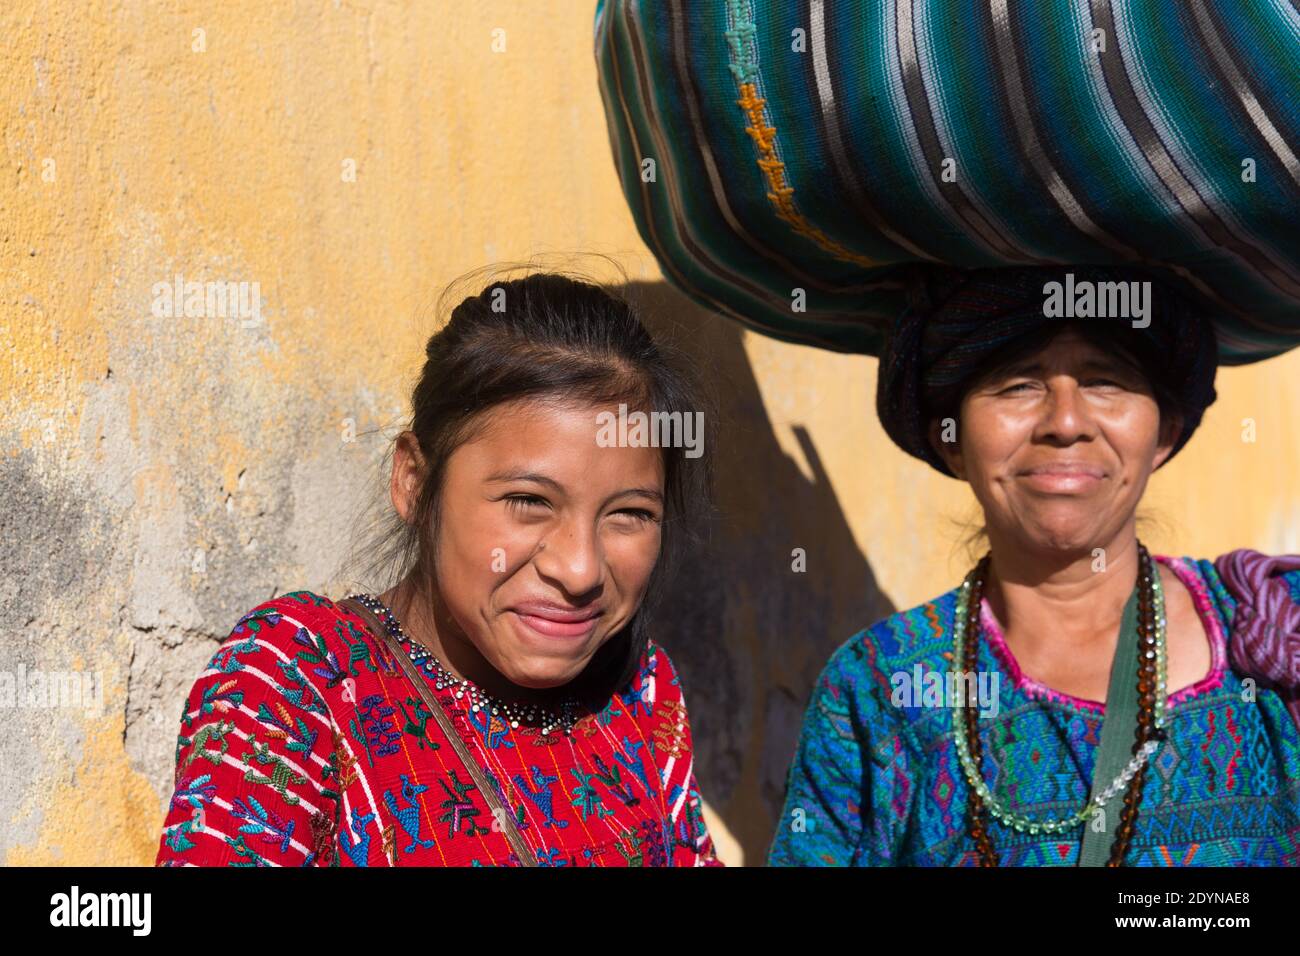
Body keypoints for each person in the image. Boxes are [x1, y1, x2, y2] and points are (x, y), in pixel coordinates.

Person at [155, 267, 723, 867]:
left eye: (630, 514)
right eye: (528, 502)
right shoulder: (302, 684)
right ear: (414, 481)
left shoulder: (638, 690)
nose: (580, 570)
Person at [769, 265, 1300, 866]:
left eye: (1106, 381)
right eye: (1017, 384)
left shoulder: (1275, 633)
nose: (1065, 423)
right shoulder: (877, 687)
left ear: (1163, 435)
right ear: (951, 440)